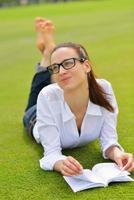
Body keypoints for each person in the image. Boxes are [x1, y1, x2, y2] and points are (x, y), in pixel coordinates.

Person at [23, 17, 134, 176]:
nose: (61, 71)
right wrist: (61, 164)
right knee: (39, 92)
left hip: (54, 98)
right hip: (35, 116)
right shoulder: (47, 96)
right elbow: (51, 154)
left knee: (48, 88)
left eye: (68, 63)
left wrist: (118, 154)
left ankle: (49, 53)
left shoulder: (104, 89)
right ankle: (48, 55)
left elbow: (109, 141)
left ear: (86, 66)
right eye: (56, 67)